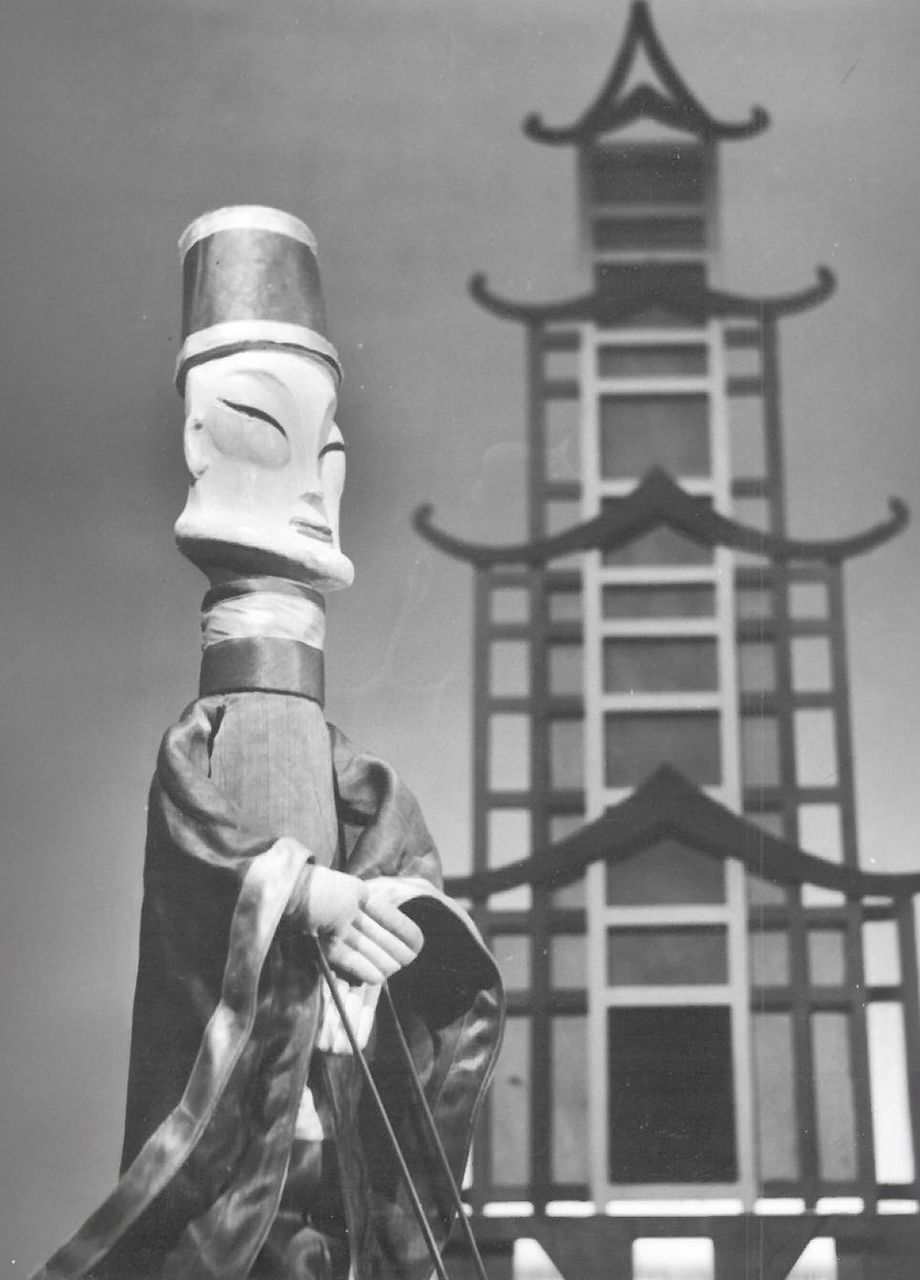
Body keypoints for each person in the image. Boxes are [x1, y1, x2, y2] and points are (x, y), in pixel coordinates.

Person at [31, 206, 503, 1280]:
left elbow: (398, 854)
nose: (312, 484)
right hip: (238, 1156)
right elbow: (201, 859)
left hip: (335, 1118)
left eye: (330, 448)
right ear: (199, 443)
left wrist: (393, 912)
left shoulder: (341, 766)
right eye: (260, 426)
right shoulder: (207, 742)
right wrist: (314, 896)